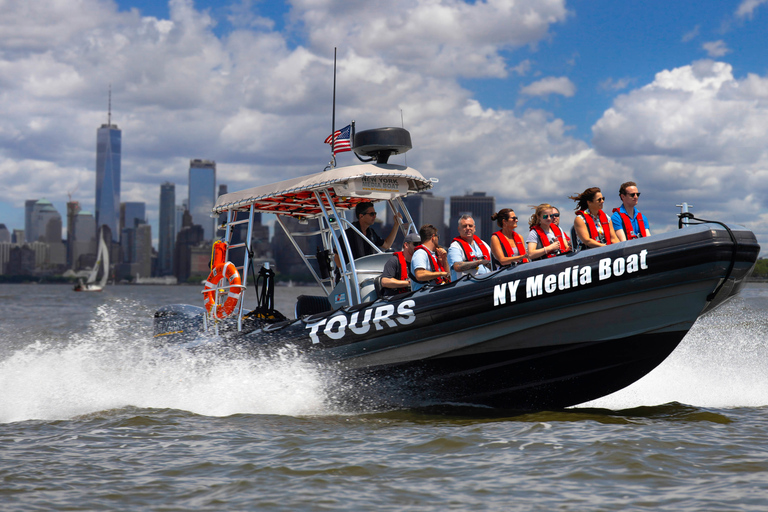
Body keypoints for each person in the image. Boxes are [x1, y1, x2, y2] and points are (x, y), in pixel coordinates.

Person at [447, 214, 492, 281]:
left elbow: (493, 263)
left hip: (486, 282)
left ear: (474, 228)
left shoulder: (483, 244)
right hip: (466, 286)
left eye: (470, 226)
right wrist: (478, 262)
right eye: (464, 226)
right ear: (459, 229)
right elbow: (457, 266)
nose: (468, 228)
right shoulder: (455, 247)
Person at [410, 224, 450, 291]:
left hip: (436, 292)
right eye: (438, 237)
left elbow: (448, 276)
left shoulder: (434, 255)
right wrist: (441, 274)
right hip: (423, 295)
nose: (438, 240)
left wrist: (444, 259)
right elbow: (419, 275)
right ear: (433, 237)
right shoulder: (420, 253)